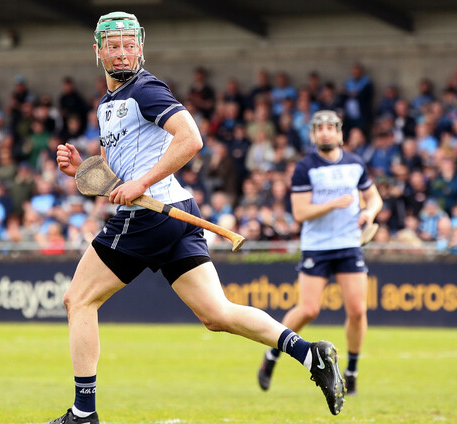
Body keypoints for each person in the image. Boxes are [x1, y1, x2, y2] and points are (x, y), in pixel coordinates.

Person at [45, 12, 346, 424]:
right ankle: (310, 354)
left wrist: (142, 183)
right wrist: (83, 169)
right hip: (177, 213)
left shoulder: (145, 89)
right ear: (98, 51)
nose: (122, 53)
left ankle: (83, 414)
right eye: (113, 46)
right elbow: (121, 176)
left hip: (148, 216)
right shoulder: (107, 104)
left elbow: (191, 139)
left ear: (140, 47)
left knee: (78, 300)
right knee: (216, 314)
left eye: (129, 45)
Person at [257, 110, 383, 397]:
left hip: (349, 244)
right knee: (309, 309)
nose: (325, 132)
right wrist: (334, 204)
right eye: (320, 128)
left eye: (330, 127)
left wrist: (369, 212)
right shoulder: (305, 167)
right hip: (317, 246)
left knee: (357, 310)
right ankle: (272, 355)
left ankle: (352, 372)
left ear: (339, 133)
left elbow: (374, 198)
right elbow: (300, 213)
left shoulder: (355, 163)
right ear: (313, 135)